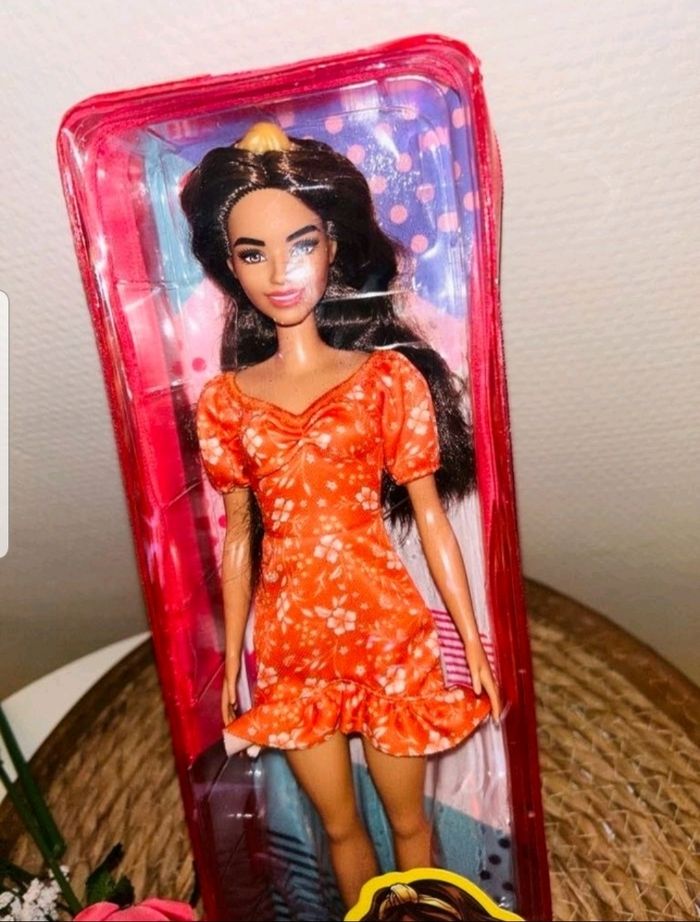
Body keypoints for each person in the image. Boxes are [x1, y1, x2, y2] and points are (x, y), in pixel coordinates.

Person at [182, 121, 501, 910]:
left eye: (301, 244)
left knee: (411, 826)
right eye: (252, 253)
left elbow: (430, 518)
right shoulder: (225, 401)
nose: (279, 273)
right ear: (229, 266)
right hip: (291, 643)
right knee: (339, 828)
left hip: (386, 633)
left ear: (333, 246)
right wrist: (234, 663)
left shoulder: (386, 379)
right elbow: (239, 538)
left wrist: (471, 641)